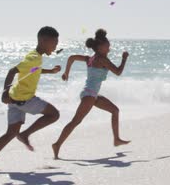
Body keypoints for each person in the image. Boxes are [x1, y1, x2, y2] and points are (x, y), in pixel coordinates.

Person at [0, 26, 62, 172]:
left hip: (14, 100)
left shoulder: (35, 56)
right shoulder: (34, 57)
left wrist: (51, 71)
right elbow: (13, 70)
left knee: (11, 133)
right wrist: (4, 91)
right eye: (54, 43)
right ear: (43, 40)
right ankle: (25, 134)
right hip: (25, 100)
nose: (55, 46)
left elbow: (33, 70)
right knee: (54, 114)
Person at [52, 29, 130, 159]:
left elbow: (71, 58)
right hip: (89, 95)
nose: (109, 47)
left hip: (91, 94)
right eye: (107, 46)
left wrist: (66, 73)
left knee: (115, 111)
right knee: (75, 121)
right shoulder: (102, 60)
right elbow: (118, 72)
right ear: (99, 48)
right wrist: (124, 59)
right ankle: (57, 144)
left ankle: (116, 139)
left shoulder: (90, 58)